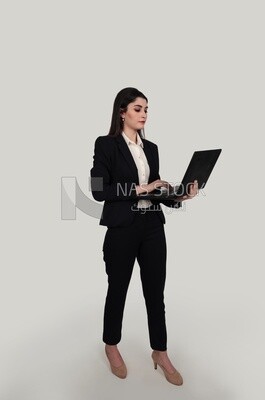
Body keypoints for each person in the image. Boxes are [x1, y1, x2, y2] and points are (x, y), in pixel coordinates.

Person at [90, 87, 198, 385]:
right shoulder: (106, 145)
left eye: (147, 109)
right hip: (122, 229)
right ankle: (111, 346)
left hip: (152, 228)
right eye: (138, 108)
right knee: (118, 289)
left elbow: (156, 191)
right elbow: (99, 191)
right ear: (122, 111)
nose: (144, 114)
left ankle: (160, 352)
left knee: (155, 293)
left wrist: (178, 197)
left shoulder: (151, 149)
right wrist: (143, 189)